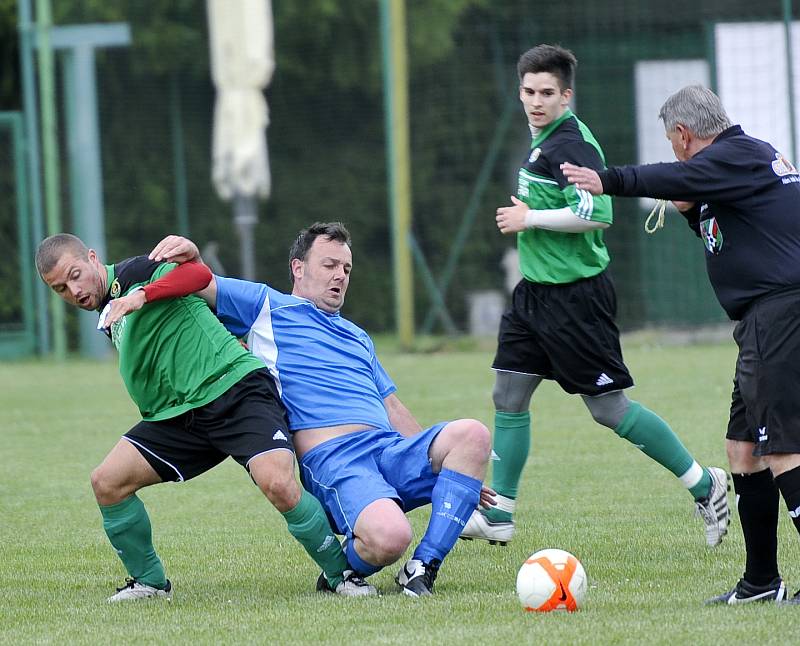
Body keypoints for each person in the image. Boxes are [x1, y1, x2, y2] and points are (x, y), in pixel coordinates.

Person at [118, 223, 491, 597]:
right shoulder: (266, 305)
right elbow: (199, 282)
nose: (340, 277)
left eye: (346, 269)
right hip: (337, 460)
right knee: (391, 537)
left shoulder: (358, 336)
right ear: (298, 268)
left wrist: (459, 473)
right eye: (329, 265)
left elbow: (392, 406)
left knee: (472, 435)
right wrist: (191, 253)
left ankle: (422, 568)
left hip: (389, 451)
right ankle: (341, 570)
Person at [459, 45, 730, 551]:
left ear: (566, 95)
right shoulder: (541, 139)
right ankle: (501, 514)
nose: (535, 102)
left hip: (577, 299)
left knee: (608, 409)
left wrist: (530, 219)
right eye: (528, 91)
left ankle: (703, 482)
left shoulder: (571, 145)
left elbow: (597, 215)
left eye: (546, 93)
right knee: (508, 394)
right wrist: (533, 213)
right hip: (535, 295)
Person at [561, 84, 800, 605]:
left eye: (673, 143)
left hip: (782, 312)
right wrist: (693, 210)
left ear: (684, 135)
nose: (674, 152)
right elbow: (724, 231)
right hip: (765, 318)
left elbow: (670, 177)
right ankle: (761, 583)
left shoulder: (738, 153)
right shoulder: (736, 167)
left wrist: (605, 181)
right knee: (743, 449)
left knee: (781, 446)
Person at [35, 233, 371, 602]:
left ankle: (342, 575)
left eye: (76, 274)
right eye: (60, 288)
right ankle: (150, 582)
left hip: (236, 390)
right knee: (107, 482)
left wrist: (142, 295)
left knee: (277, 483)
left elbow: (197, 277)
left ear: (93, 259)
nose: (74, 289)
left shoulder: (135, 273)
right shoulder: (109, 309)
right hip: (181, 415)